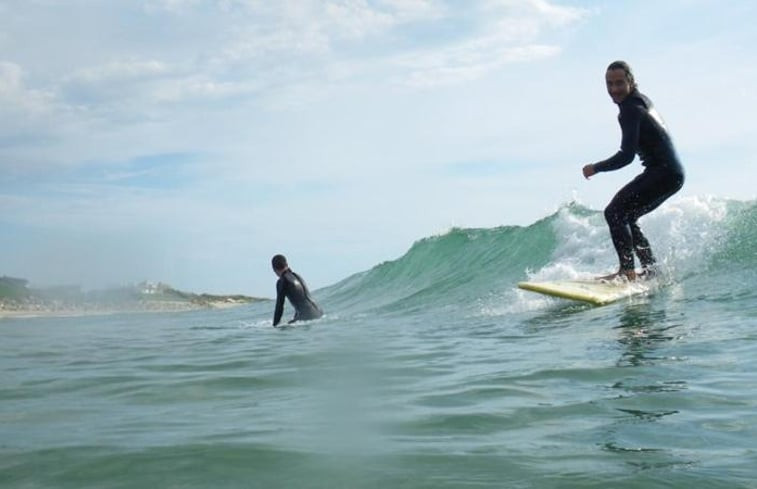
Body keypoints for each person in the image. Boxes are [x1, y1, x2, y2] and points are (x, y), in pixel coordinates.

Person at [582, 60, 685, 281]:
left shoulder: (630, 109)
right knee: (627, 215)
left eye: (619, 83)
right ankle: (651, 269)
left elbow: (626, 156)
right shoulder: (641, 101)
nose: (614, 89)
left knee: (614, 212)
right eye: (609, 84)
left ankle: (627, 271)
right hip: (671, 174)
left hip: (663, 172)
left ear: (630, 81)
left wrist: (595, 168)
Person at [271, 254, 323, 327]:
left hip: (307, 317)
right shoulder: (297, 276)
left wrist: (275, 326)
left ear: (274, 269)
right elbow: (301, 299)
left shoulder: (282, 281)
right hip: (319, 312)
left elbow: (279, 306)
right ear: (286, 264)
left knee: (285, 327)